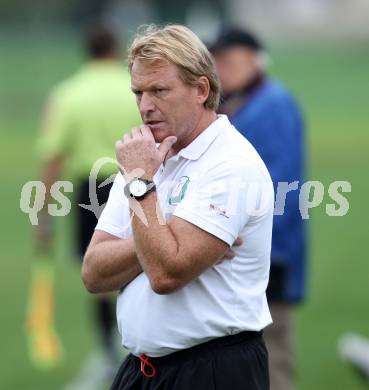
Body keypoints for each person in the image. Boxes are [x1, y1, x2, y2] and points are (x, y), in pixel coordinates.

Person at [82, 24, 274, 390]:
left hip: (213, 370)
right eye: (138, 92)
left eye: (159, 90)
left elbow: (166, 274)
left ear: (201, 90)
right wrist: (161, 235)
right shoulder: (145, 157)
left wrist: (141, 189)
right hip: (141, 370)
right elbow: (94, 273)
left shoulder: (230, 164)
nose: (145, 106)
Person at [33, 22, 140, 386]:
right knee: (141, 259)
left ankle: (109, 352)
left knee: (101, 270)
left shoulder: (68, 93)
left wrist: (42, 216)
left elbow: (52, 157)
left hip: (91, 187)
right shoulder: (134, 88)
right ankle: (131, 344)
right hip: (136, 178)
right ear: (115, 50)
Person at [210, 27, 307, 390]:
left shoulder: (273, 103)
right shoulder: (238, 103)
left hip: (268, 254)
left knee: (272, 362)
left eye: (229, 60)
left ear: (255, 60)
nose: (221, 69)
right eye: (216, 61)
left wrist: (241, 236)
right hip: (241, 252)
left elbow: (283, 188)